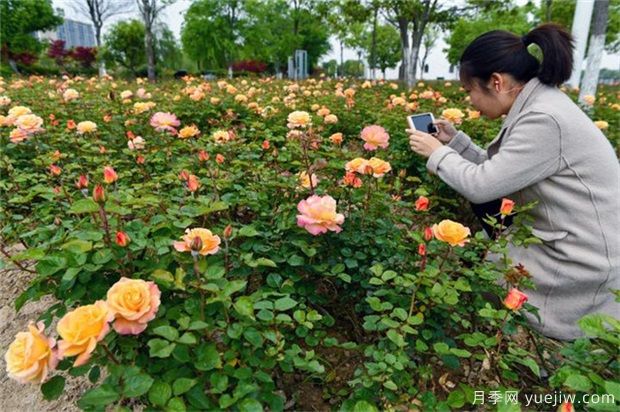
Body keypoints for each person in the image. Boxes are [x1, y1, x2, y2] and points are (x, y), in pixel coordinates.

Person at [407, 23, 619, 341]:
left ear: (496, 82)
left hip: (583, 257)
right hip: (573, 235)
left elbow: (482, 186)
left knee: (493, 274)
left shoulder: (543, 119)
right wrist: (455, 143)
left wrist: (436, 154)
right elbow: (503, 174)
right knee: (493, 260)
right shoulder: (541, 104)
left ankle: (535, 358)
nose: (469, 102)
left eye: (469, 91)